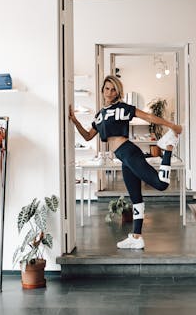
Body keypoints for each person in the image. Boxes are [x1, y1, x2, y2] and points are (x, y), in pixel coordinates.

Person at [68, 75, 182, 249]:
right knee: (136, 198)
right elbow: (88, 136)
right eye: (107, 88)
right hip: (122, 157)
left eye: (113, 89)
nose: (109, 92)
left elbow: (148, 117)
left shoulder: (123, 108)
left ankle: (168, 147)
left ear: (117, 92)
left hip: (129, 152)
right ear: (102, 90)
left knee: (161, 184)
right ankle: (137, 237)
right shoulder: (99, 116)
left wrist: (171, 126)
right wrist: (75, 120)